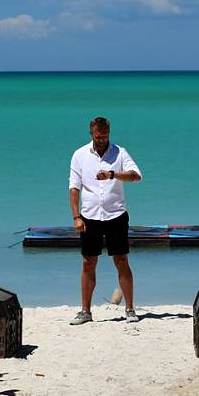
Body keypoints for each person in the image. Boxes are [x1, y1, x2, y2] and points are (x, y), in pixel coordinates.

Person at [69, 117, 142, 325]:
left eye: (105, 136)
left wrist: (112, 174)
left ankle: (129, 309)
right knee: (88, 262)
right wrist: (76, 217)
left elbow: (136, 176)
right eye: (98, 136)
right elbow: (74, 188)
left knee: (121, 260)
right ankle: (85, 311)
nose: (101, 140)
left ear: (109, 133)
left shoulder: (120, 152)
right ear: (91, 134)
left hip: (115, 215)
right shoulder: (79, 155)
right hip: (89, 216)